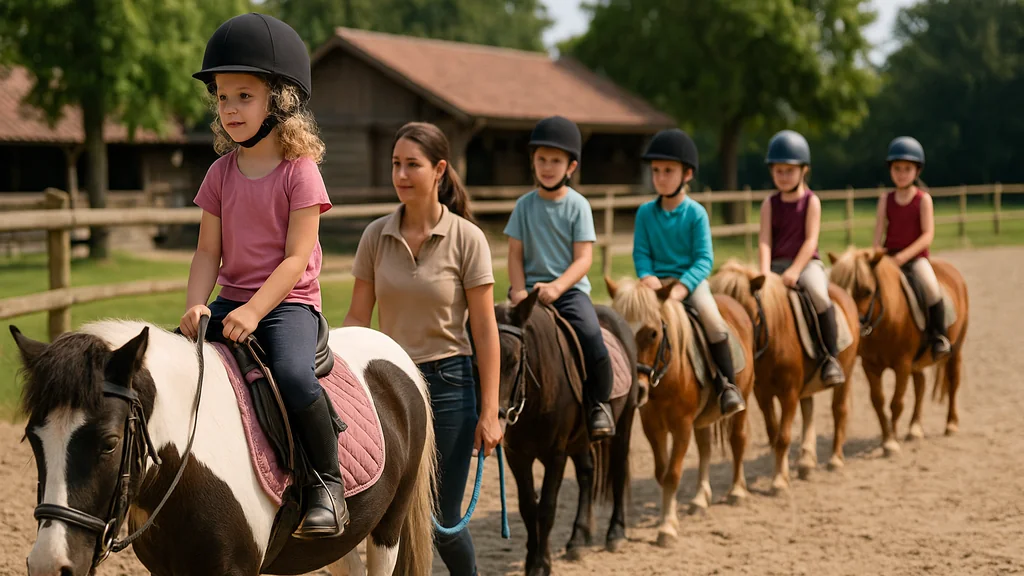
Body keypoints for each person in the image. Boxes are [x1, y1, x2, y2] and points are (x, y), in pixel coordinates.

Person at [180, 12, 346, 539]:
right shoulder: (220, 173)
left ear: (281, 100)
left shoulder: (301, 171)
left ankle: (328, 483)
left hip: (288, 305)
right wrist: (196, 303)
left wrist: (255, 311)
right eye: (222, 97)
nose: (229, 108)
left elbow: (297, 258)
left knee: (295, 378)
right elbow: (208, 251)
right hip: (231, 301)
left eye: (243, 96)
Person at [344, 122, 502, 576]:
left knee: (441, 522)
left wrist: (490, 411)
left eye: (412, 164)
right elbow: (357, 319)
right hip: (389, 390)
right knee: (389, 519)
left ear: (439, 171)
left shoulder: (468, 239)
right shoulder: (375, 235)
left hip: (451, 387)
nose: (401, 174)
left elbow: (485, 332)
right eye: (396, 164)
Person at [504, 115, 615, 439]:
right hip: (527, 296)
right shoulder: (524, 206)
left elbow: (584, 259)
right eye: (541, 159)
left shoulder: (578, 206)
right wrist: (519, 291)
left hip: (568, 292)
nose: (547, 167)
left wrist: (557, 287)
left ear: (571, 166)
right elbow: (514, 254)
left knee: (592, 337)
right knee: (497, 337)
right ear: (533, 162)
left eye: (556, 161)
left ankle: (599, 404)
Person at [633, 129, 745, 416]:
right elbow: (641, 254)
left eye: (668, 170)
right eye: (656, 170)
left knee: (714, 323)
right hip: (654, 286)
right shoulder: (645, 213)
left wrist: (682, 289)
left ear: (687, 174)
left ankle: (727, 385)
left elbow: (704, 260)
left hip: (690, 285)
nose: (660, 177)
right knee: (628, 321)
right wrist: (648, 279)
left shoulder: (696, 213)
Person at [758, 130, 845, 386]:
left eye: (789, 171)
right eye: (778, 171)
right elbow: (764, 241)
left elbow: (810, 241)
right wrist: (764, 273)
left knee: (818, 294)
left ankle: (831, 357)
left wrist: (795, 270)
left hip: (806, 265)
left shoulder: (811, 202)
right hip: (774, 266)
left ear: (803, 170)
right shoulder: (769, 204)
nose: (783, 177)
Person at [873, 136, 950, 359]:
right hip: (889, 258)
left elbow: (927, 236)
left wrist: (903, 257)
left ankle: (939, 335)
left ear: (917, 171)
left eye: (907, 169)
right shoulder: (884, 199)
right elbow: (878, 233)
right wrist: (877, 254)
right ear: (891, 170)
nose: (901, 173)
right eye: (897, 168)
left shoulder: (923, 199)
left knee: (931, 288)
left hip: (915, 259)